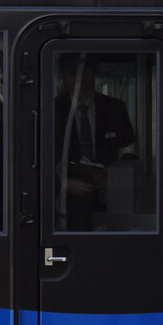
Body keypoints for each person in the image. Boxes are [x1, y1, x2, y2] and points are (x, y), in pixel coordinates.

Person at [54, 56, 135, 230]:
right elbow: (37, 158)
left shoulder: (115, 108)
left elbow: (130, 152)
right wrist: (63, 182)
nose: (79, 79)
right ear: (65, 75)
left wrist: (111, 174)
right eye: (73, 72)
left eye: (85, 72)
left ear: (94, 73)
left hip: (112, 197)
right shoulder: (51, 109)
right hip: (65, 207)